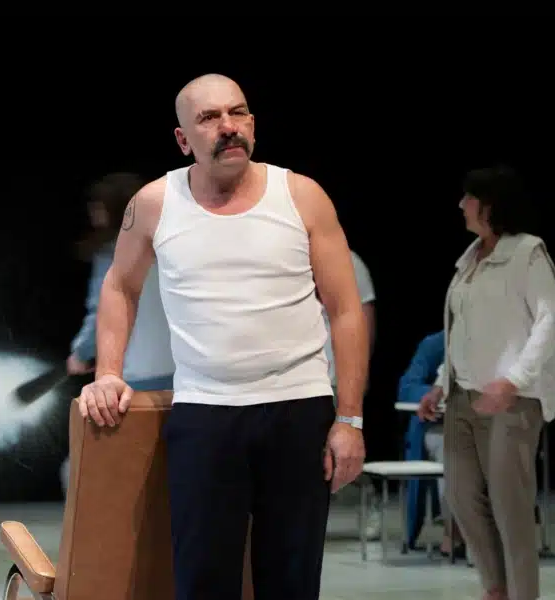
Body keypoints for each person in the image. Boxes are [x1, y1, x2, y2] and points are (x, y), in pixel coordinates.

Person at [78, 73, 369, 600]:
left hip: (298, 408)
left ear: (253, 124)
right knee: (202, 580)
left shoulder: (301, 195)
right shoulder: (154, 202)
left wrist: (350, 419)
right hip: (205, 413)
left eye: (237, 113)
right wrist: (108, 373)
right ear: (183, 139)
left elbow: (347, 310)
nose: (228, 126)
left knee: (292, 582)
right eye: (209, 118)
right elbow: (120, 287)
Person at [418, 166, 555, 600]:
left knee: (510, 506)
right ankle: (495, 587)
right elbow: (461, 330)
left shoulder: (527, 253)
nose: (461, 205)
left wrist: (513, 380)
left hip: (510, 401)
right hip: (463, 397)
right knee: (461, 497)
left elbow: (548, 322)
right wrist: (441, 383)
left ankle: (521, 594)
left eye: (469, 198)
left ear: (491, 204)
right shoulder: (469, 259)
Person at [59, 173, 175, 494]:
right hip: (181, 376)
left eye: (98, 206)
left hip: (134, 380)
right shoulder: (170, 249)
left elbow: (102, 310)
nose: (93, 213)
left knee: (90, 471)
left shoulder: (112, 254)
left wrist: (81, 353)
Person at [321, 250, 381, 539]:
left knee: (336, 452)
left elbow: (362, 318)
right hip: (292, 377)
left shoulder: (346, 261)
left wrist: (358, 373)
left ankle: (369, 498)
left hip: (332, 375)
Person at [398, 330, 466, 556]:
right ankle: (452, 529)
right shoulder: (436, 344)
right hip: (440, 426)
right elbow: (407, 387)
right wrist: (439, 396)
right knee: (448, 447)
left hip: (484, 423)